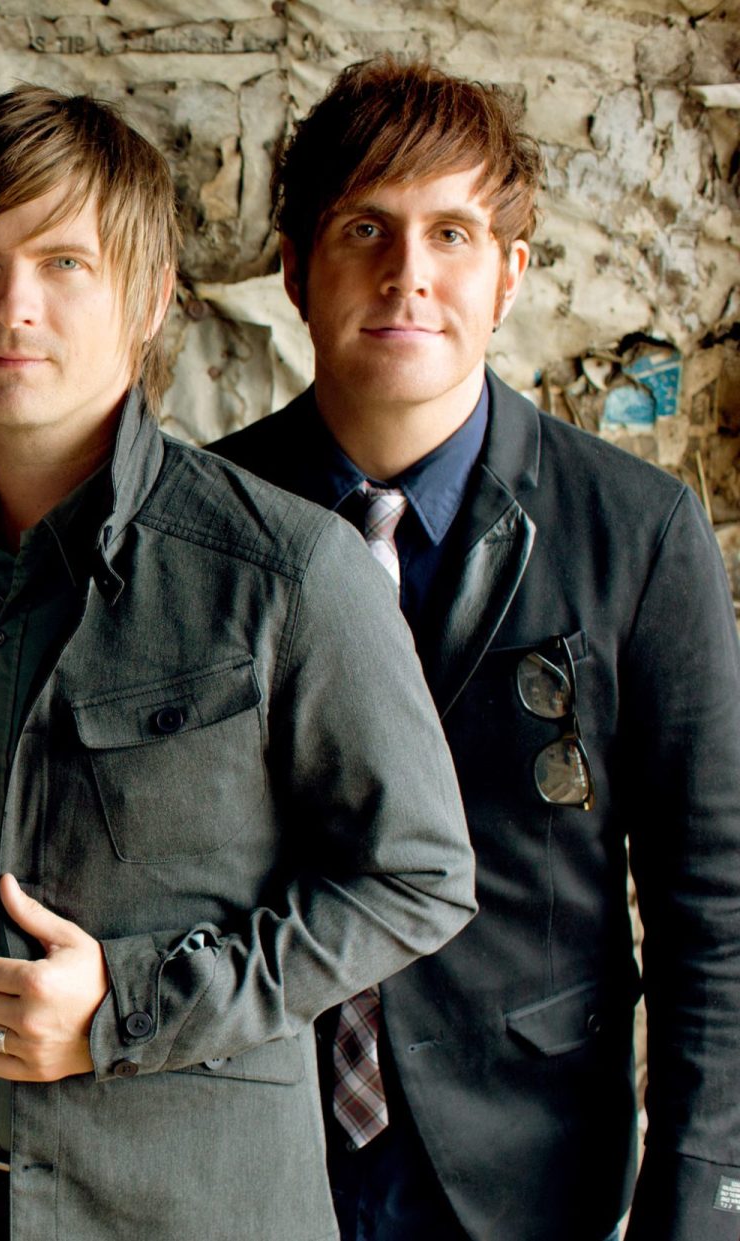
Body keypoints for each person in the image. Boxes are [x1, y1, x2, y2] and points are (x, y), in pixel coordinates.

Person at [0, 84, 477, 1239]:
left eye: (64, 263)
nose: (14, 305)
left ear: (150, 296)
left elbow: (418, 877)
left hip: (181, 1210)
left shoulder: (287, 569)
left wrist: (129, 1004)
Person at [212, 56, 740, 1241]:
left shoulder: (641, 533)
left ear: (508, 273)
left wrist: (706, 1199)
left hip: (528, 1168)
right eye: (365, 228)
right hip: (251, 1147)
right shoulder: (203, 518)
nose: (407, 273)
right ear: (294, 268)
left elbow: (716, 905)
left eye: (451, 233)